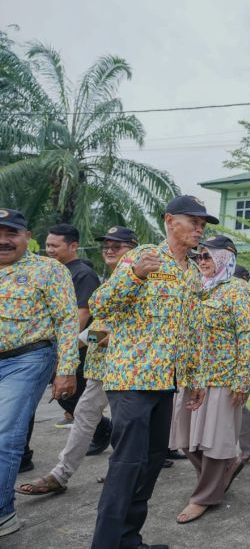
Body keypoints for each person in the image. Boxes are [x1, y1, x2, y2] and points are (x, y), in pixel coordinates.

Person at [89, 194, 216, 549]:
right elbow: (101, 304)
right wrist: (134, 274)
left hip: (167, 383)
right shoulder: (143, 256)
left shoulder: (191, 273)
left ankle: (129, 539)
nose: (199, 228)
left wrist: (195, 378)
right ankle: (106, 543)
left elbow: (191, 330)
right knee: (128, 463)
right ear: (169, 220)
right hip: (131, 378)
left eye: (203, 224)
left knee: (153, 461)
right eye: (194, 221)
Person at [16, 226, 139, 497]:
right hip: (101, 365)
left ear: (134, 250)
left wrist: (80, 342)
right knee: (84, 415)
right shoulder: (112, 281)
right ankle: (60, 474)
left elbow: (121, 328)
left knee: (126, 424)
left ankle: (123, 472)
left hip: (131, 368)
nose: (109, 250)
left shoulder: (143, 282)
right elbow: (103, 327)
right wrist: (73, 346)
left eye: (117, 246)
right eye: (106, 245)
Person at [170, 235, 250, 523]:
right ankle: (219, 474)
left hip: (222, 376)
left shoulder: (236, 290)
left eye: (208, 256)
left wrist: (243, 378)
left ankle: (205, 495)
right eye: (199, 256)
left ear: (225, 258)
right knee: (184, 439)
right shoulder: (194, 288)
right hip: (190, 377)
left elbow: (248, 335)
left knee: (214, 441)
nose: (202, 261)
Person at [0, 208, 78, 539]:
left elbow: (67, 320)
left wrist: (66, 370)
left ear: (27, 236)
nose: (3, 240)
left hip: (28, 358)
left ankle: (3, 513)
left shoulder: (47, 270)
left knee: (5, 435)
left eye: (11, 233)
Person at [45, 223, 102, 428]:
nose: (50, 250)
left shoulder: (83, 274)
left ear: (73, 246)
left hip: (83, 343)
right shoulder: (52, 271)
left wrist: (67, 349)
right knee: (64, 394)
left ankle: (101, 428)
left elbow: (83, 314)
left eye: (55, 246)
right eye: (48, 245)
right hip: (57, 343)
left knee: (70, 393)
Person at [232, 263, 250, 465]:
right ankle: (247, 447)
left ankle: (244, 450)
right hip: (235, 364)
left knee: (236, 407)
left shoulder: (244, 296)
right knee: (239, 407)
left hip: (238, 365)